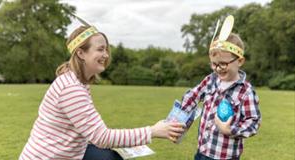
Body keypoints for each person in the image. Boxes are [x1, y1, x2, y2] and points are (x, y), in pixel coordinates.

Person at [19, 23, 185, 160]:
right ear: (81, 53)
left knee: (110, 157)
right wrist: (153, 131)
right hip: (47, 157)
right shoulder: (71, 89)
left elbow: (91, 133)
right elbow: (101, 137)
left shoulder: (78, 82)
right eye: (100, 49)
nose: (106, 55)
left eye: (106, 49)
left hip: (68, 153)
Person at [180, 16, 261, 160]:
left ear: (240, 61)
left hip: (226, 156)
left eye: (223, 64)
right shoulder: (210, 80)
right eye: (214, 64)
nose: (218, 69)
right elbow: (192, 96)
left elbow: (253, 122)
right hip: (202, 151)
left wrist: (229, 130)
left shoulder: (245, 91)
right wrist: (180, 117)